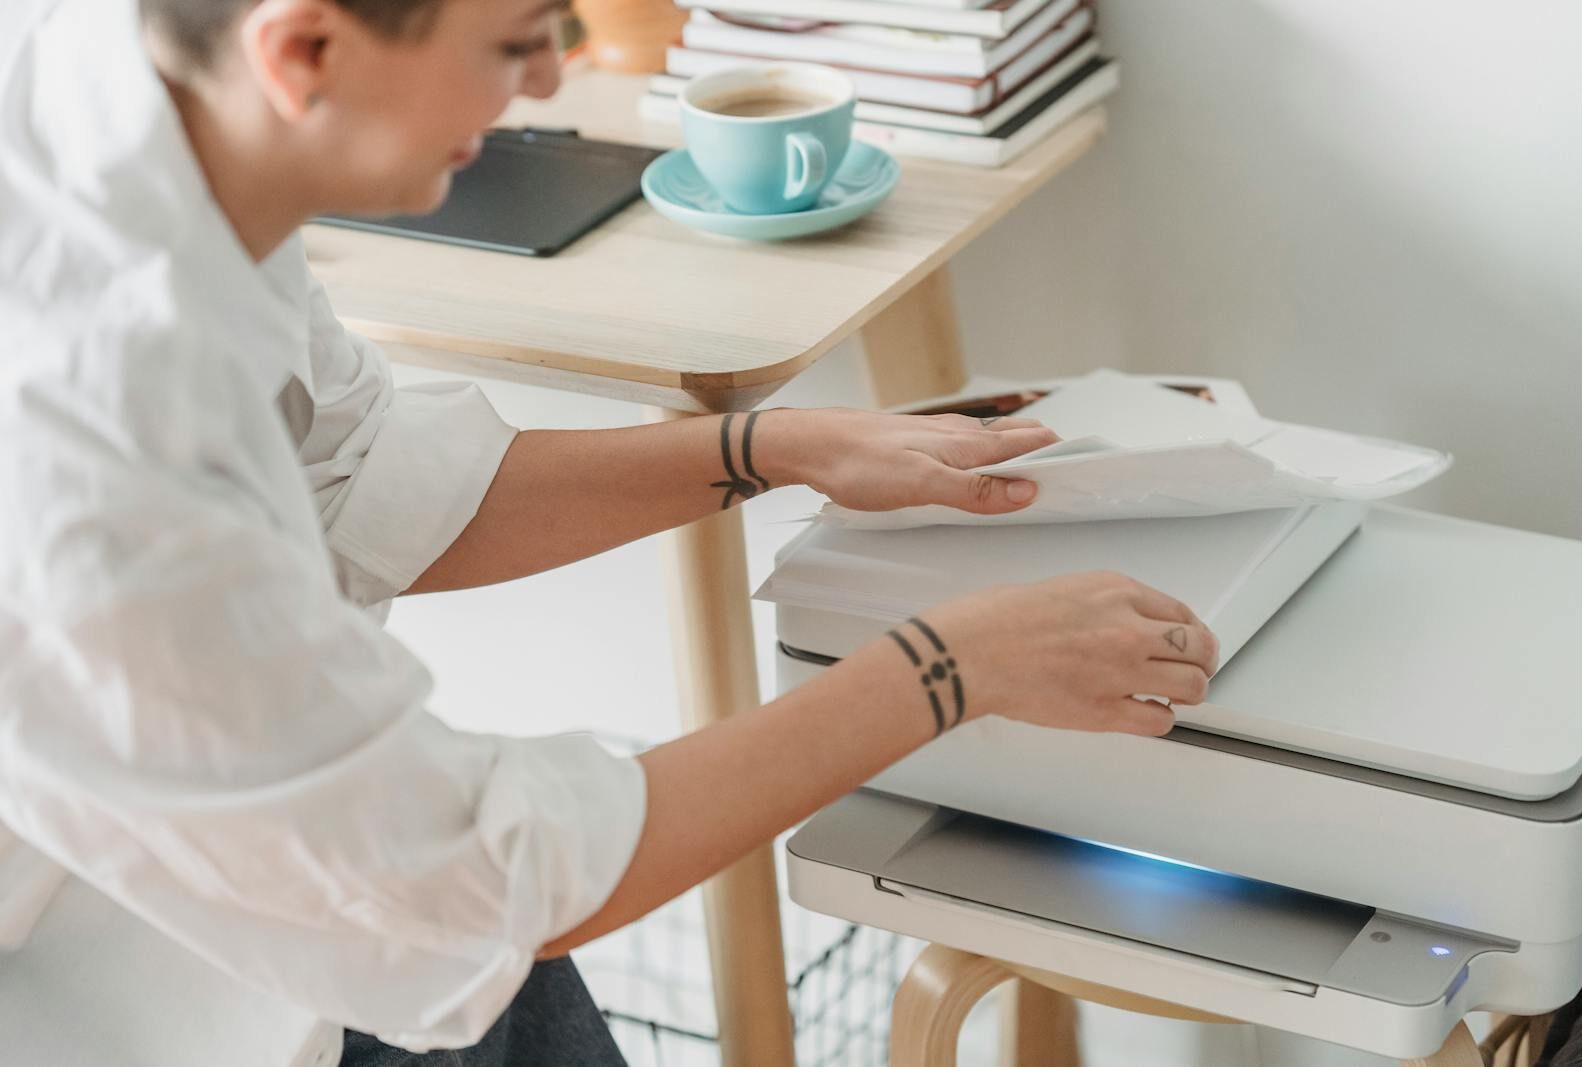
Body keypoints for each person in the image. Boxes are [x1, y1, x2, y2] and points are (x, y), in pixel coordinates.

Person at [0, 0, 1219, 1063]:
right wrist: (945, 668)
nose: (547, 80)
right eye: (520, 39)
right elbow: (477, 884)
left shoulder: (158, 102)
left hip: (319, 891)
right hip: (125, 985)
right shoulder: (96, 439)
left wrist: (772, 446)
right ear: (305, 49)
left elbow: (356, 483)